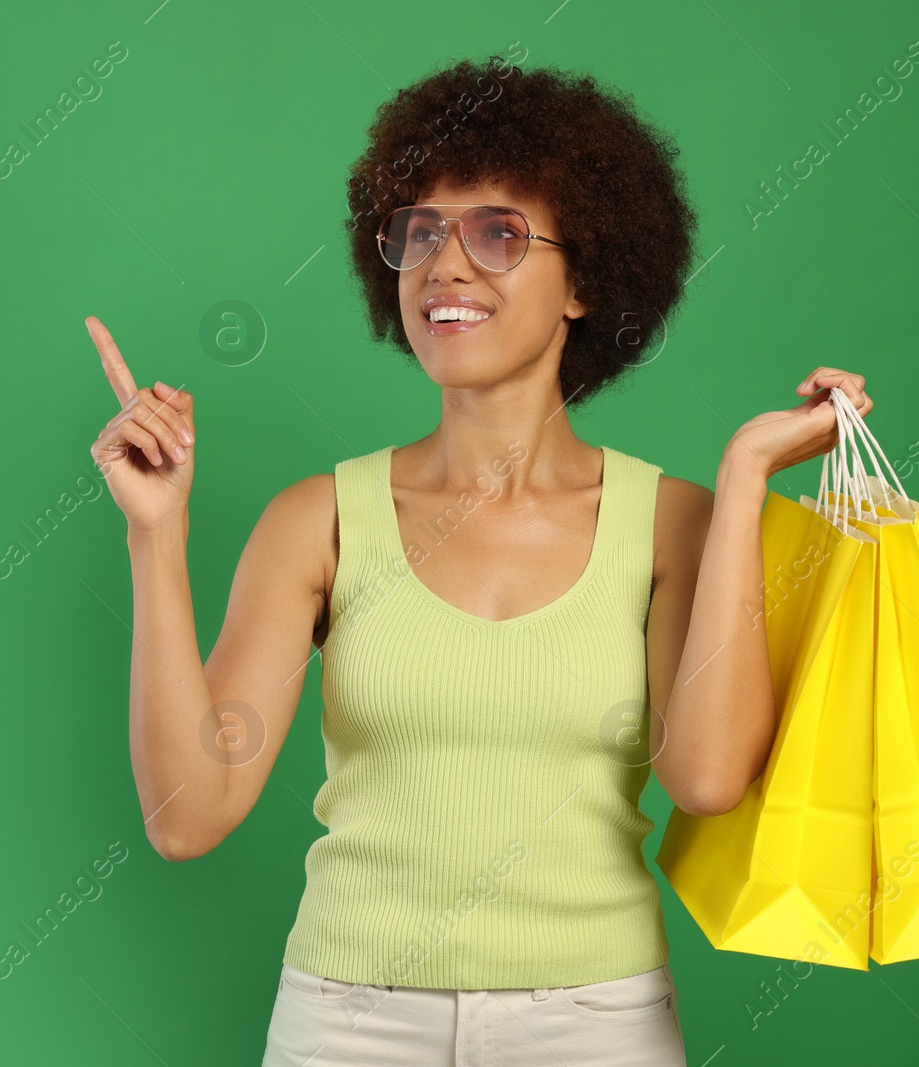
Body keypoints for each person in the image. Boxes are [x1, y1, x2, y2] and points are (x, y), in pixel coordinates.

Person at [84, 51, 873, 1067]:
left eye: (497, 232)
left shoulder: (676, 521)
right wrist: (156, 533)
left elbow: (709, 775)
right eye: (419, 233)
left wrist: (745, 476)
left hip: (598, 1027)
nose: (444, 266)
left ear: (585, 279)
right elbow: (189, 816)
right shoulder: (316, 521)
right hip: (346, 1025)